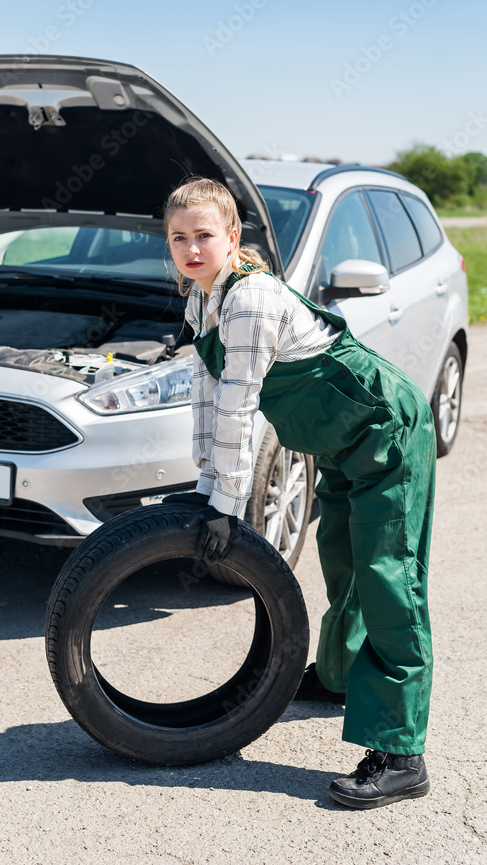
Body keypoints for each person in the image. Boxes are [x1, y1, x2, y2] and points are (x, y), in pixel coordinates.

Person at [163, 176, 436, 810]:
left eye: (205, 234)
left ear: (233, 237)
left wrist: (230, 508)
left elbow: (240, 409)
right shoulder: (202, 301)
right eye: (179, 237)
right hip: (341, 443)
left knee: (389, 579)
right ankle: (340, 677)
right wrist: (207, 491)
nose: (192, 247)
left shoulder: (251, 300)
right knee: (342, 561)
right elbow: (207, 401)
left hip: (385, 429)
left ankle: (402, 752)